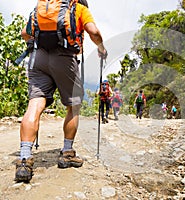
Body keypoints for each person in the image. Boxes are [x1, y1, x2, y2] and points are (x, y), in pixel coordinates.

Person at [15, 0, 108, 183]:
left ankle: (24, 158)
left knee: (35, 104)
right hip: (64, 58)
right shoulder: (78, 8)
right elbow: (94, 32)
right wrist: (101, 49)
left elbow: (25, 33)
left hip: (37, 58)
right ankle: (67, 153)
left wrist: (38, 45)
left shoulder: (42, 7)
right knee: (73, 106)